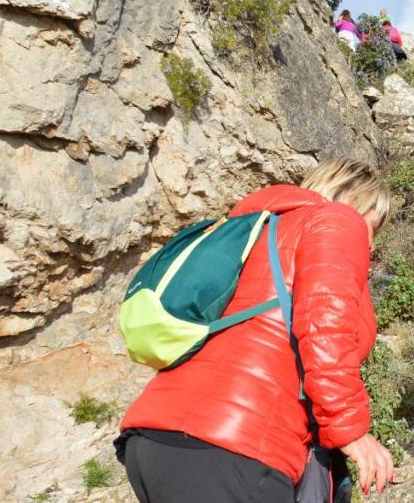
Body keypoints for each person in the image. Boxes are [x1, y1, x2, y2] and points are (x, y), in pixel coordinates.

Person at [117, 159, 395, 501]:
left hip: (156, 441)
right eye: (374, 226)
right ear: (354, 202)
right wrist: (350, 430)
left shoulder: (256, 229)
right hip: (234, 448)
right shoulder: (336, 220)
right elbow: (327, 327)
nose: (371, 244)